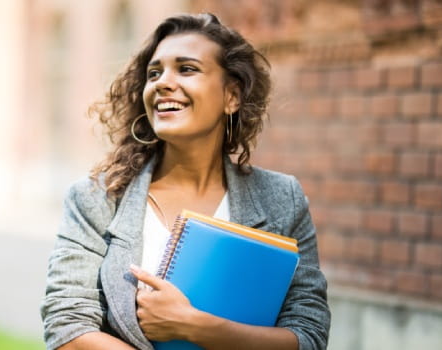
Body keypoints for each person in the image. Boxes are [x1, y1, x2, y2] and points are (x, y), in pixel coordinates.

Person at [40, 13, 330, 350]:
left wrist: (196, 326)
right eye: (154, 73)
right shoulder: (96, 198)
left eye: (187, 69)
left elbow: (309, 336)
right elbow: (67, 327)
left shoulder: (282, 199)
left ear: (231, 96)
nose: (163, 82)